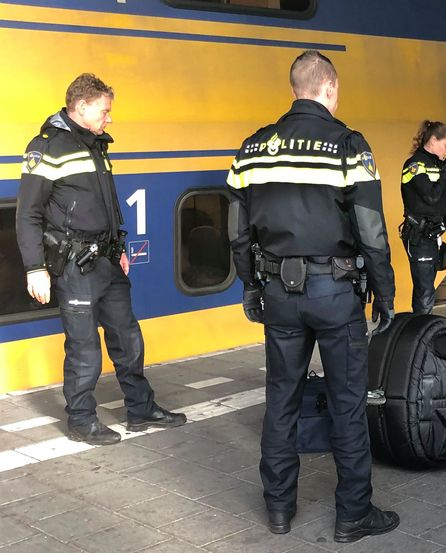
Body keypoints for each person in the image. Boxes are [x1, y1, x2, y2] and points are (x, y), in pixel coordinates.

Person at [227, 50, 399, 543]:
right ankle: (353, 515)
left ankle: (278, 510)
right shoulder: (349, 145)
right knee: (347, 403)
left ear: (294, 88)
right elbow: (371, 230)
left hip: (278, 292)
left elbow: (238, 231)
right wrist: (384, 294)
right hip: (335, 294)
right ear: (329, 89)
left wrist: (250, 284)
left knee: (281, 399)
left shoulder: (254, 149)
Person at [16, 73, 186, 446]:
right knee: (83, 346)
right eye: (105, 110)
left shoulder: (95, 145)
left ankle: (141, 409)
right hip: (74, 265)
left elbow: (103, 206)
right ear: (81, 107)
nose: (110, 118)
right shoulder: (47, 148)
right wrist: (35, 268)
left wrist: (118, 247)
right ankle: (81, 420)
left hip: (107, 260)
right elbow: (27, 213)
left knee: (128, 338)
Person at [399, 121, 446, 314]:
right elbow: (431, 197)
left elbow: (445, 202)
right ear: (433, 140)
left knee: (428, 290)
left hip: (435, 234)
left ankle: (422, 332)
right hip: (418, 235)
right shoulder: (414, 165)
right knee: (424, 292)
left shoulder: (439, 166)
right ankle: (420, 336)